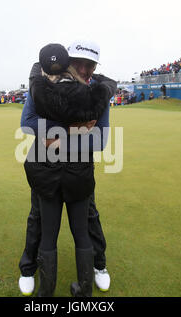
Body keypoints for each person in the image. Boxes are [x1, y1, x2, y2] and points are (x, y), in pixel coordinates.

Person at [19, 40, 116, 297]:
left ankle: (99, 266)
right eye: (79, 64)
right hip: (44, 167)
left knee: (89, 218)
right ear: (67, 62)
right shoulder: (42, 84)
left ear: (96, 67)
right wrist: (77, 130)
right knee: (37, 218)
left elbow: (100, 139)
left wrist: (58, 138)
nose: (84, 70)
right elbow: (27, 124)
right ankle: (28, 269)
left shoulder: (97, 91)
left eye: (90, 65)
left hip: (78, 169)